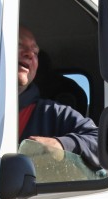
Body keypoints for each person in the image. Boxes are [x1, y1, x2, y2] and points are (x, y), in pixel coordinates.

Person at [17, 25, 100, 170]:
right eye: (18, 44)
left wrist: (61, 145)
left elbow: (101, 141)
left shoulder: (52, 112)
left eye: (35, 52)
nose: (30, 54)